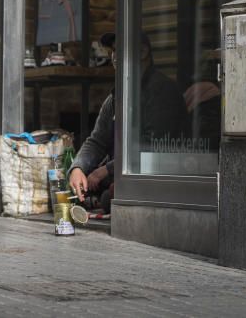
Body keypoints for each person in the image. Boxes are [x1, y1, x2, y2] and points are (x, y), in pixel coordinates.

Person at [67, 32, 187, 211]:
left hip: (160, 180)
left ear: (143, 51)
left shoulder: (163, 91)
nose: (114, 56)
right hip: (122, 178)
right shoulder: (116, 97)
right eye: (113, 51)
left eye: (119, 50)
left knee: (110, 198)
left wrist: (105, 170)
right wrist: (77, 168)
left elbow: (153, 146)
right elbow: (97, 141)